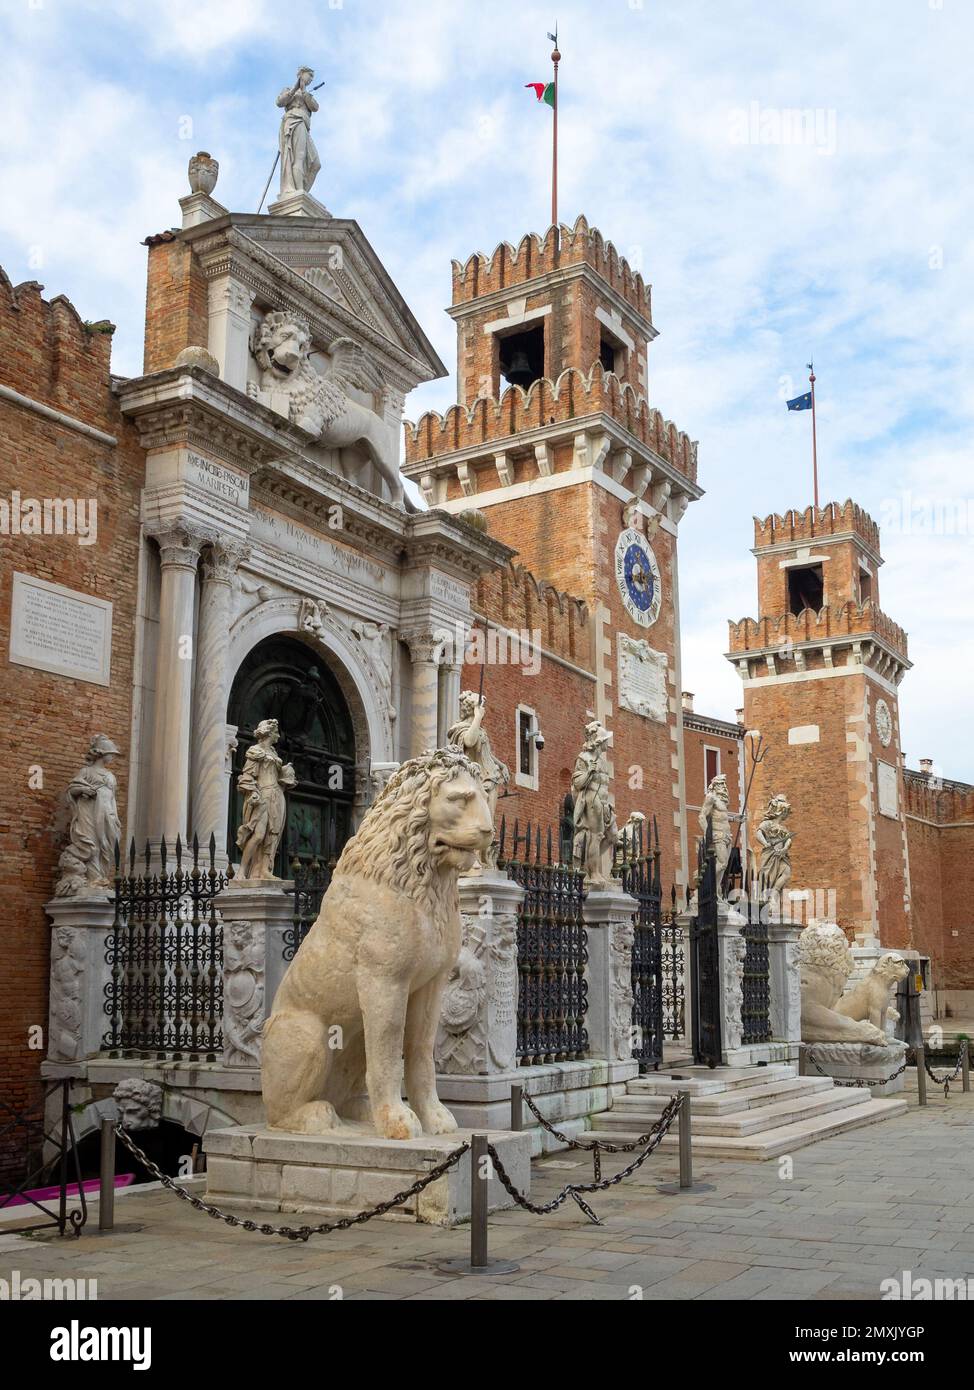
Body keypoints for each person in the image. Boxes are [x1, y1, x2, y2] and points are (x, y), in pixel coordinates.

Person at [277, 67, 321, 197]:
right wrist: (294, 90)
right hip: (294, 122)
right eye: (309, 76)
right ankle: (298, 191)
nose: (311, 79)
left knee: (315, 163)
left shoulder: (307, 94)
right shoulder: (289, 90)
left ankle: (301, 189)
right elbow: (280, 102)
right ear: (301, 74)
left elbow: (315, 107)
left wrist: (304, 91)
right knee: (298, 157)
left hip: (304, 126)